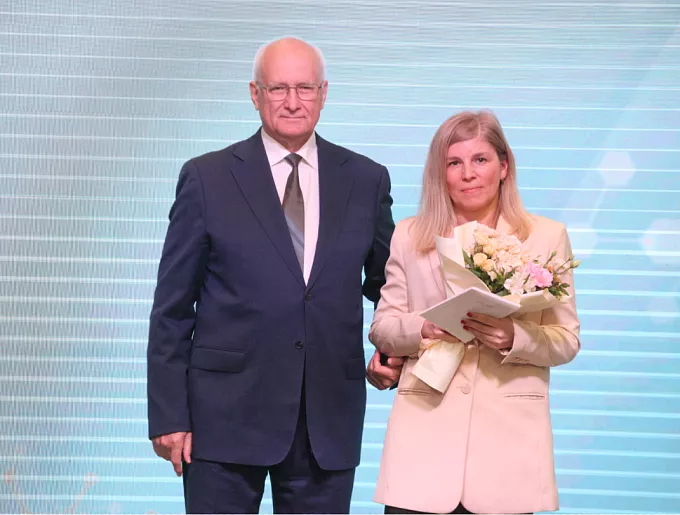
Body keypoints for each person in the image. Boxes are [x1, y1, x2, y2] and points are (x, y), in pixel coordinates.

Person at [146, 37, 401, 514]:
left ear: (324, 93)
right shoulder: (207, 178)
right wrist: (169, 414)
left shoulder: (366, 180)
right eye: (278, 88)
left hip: (326, 418)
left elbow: (389, 286)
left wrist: (394, 350)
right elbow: (173, 308)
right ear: (255, 93)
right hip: (222, 418)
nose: (292, 101)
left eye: (305, 88)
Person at [368, 111, 581, 514]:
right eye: (454, 162)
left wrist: (515, 337)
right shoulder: (410, 235)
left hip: (508, 450)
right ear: (441, 173)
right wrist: (425, 328)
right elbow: (383, 328)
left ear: (504, 166)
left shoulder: (546, 237)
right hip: (423, 443)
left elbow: (566, 340)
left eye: (480, 159)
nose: (468, 174)